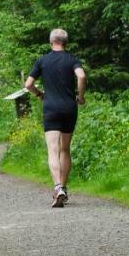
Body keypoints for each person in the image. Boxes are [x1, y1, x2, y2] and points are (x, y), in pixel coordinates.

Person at [24, 28, 86, 207]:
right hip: (69, 108)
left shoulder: (42, 60)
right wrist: (81, 97)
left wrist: (39, 94)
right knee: (65, 149)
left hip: (50, 108)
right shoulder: (72, 59)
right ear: (65, 43)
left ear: (51, 42)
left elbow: (28, 84)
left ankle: (57, 187)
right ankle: (64, 189)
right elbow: (81, 76)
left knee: (52, 149)